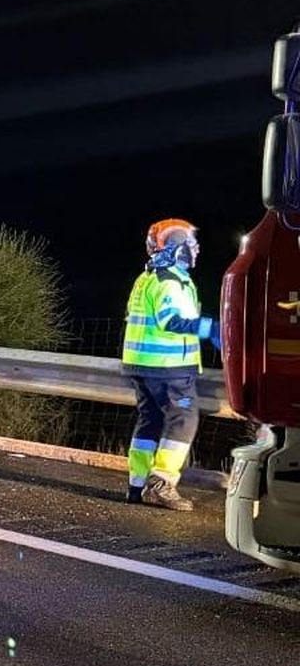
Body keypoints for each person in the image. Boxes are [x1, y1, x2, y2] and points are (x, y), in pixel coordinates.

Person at [121, 218, 218, 511]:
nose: (196, 249)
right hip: (168, 367)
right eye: (191, 244)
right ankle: (162, 483)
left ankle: (137, 485)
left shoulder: (146, 277)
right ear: (178, 248)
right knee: (184, 419)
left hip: (141, 364)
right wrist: (212, 329)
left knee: (149, 421)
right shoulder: (170, 280)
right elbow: (171, 321)